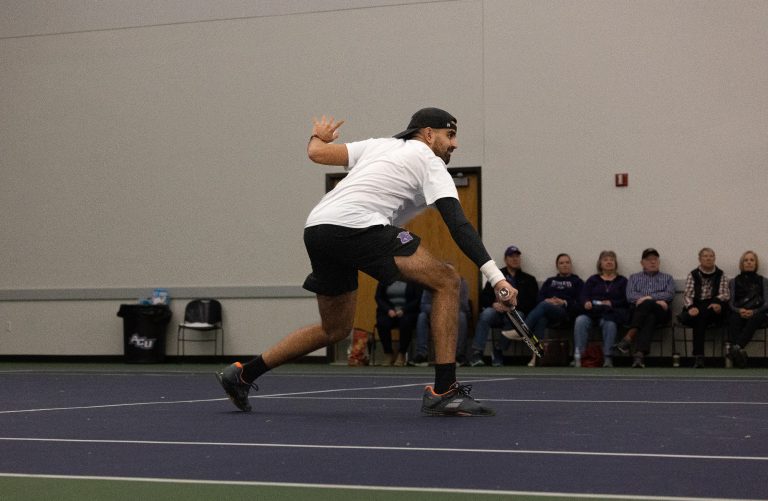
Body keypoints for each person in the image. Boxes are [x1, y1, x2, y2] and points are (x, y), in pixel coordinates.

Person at [216, 108, 517, 416]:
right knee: (448, 280)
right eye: (450, 136)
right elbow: (459, 225)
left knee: (334, 330)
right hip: (359, 226)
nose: (454, 145)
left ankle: (242, 374)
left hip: (318, 228)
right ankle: (444, 391)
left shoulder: (378, 145)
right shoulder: (430, 162)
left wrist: (319, 135)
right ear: (428, 134)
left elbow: (317, 153)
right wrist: (496, 277)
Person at [469, 245, 538, 367]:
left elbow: (531, 302)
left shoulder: (529, 279)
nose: (515, 259)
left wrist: (511, 307)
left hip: (514, 312)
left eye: (517, 256)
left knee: (519, 316)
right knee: (486, 314)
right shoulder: (497, 276)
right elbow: (484, 297)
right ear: (506, 259)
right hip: (496, 311)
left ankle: (498, 350)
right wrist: (493, 304)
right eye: (511, 256)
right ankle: (477, 353)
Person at [614, 248, 675, 368]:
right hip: (640, 312)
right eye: (649, 260)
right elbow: (630, 296)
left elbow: (669, 294)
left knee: (647, 304)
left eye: (655, 259)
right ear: (642, 263)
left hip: (661, 313)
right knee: (649, 317)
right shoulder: (634, 277)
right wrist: (657, 300)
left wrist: (648, 298)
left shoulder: (667, 278)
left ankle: (628, 337)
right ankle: (639, 355)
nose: (653, 262)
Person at [524, 253, 583, 366]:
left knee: (544, 306)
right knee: (542, 318)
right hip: (548, 312)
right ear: (557, 266)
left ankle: (522, 329)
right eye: (561, 263)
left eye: (567, 262)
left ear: (571, 265)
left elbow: (580, 303)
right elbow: (539, 298)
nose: (565, 265)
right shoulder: (550, 281)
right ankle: (535, 356)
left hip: (565, 314)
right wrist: (548, 300)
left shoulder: (577, 282)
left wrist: (563, 302)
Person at [572, 250, 629, 368]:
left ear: (615, 263)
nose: (609, 262)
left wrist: (612, 303)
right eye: (606, 260)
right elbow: (583, 294)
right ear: (600, 263)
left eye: (611, 260)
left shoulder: (622, 281)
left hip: (610, 313)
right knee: (580, 321)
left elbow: (626, 300)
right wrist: (586, 301)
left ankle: (608, 357)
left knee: (610, 324)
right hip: (592, 312)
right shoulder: (593, 279)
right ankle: (580, 356)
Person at [677, 248, 730, 368]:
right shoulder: (693, 274)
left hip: (714, 308)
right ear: (700, 259)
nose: (708, 258)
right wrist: (690, 307)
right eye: (705, 256)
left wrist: (717, 302)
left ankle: (698, 355)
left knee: (700, 316)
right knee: (699, 318)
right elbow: (688, 295)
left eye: (711, 256)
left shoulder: (721, 274)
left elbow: (725, 294)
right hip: (696, 307)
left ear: (714, 258)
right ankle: (699, 356)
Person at [412, 273, 470, 367]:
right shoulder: (430, 284)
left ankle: (459, 355)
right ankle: (422, 354)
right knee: (422, 317)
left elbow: (464, 306)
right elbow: (423, 305)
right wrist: (439, 309)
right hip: (435, 315)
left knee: (462, 316)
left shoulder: (461, 284)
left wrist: (447, 309)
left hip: (453, 315)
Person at [726, 251, 768, 369]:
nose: (749, 262)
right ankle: (739, 353)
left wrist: (753, 311)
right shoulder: (734, 281)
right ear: (742, 263)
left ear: (756, 263)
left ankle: (736, 347)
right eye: (746, 260)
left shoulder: (763, 281)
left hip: (759, 313)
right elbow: (731, 303)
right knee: (733, 318)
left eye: (752, 260)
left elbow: (766, 303)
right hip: (739, 312)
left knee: (756, 317)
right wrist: (739, 310)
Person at [374, 280, 423, 366]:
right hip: (389, 312)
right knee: (382, 323)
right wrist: (388, 309)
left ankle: (402, 354)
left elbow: (418, 299)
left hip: (408, 312)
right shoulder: (386, 278)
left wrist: (403, 310)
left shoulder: (413, 279)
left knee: (405, 322)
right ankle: (388, 353)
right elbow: (379, 297)